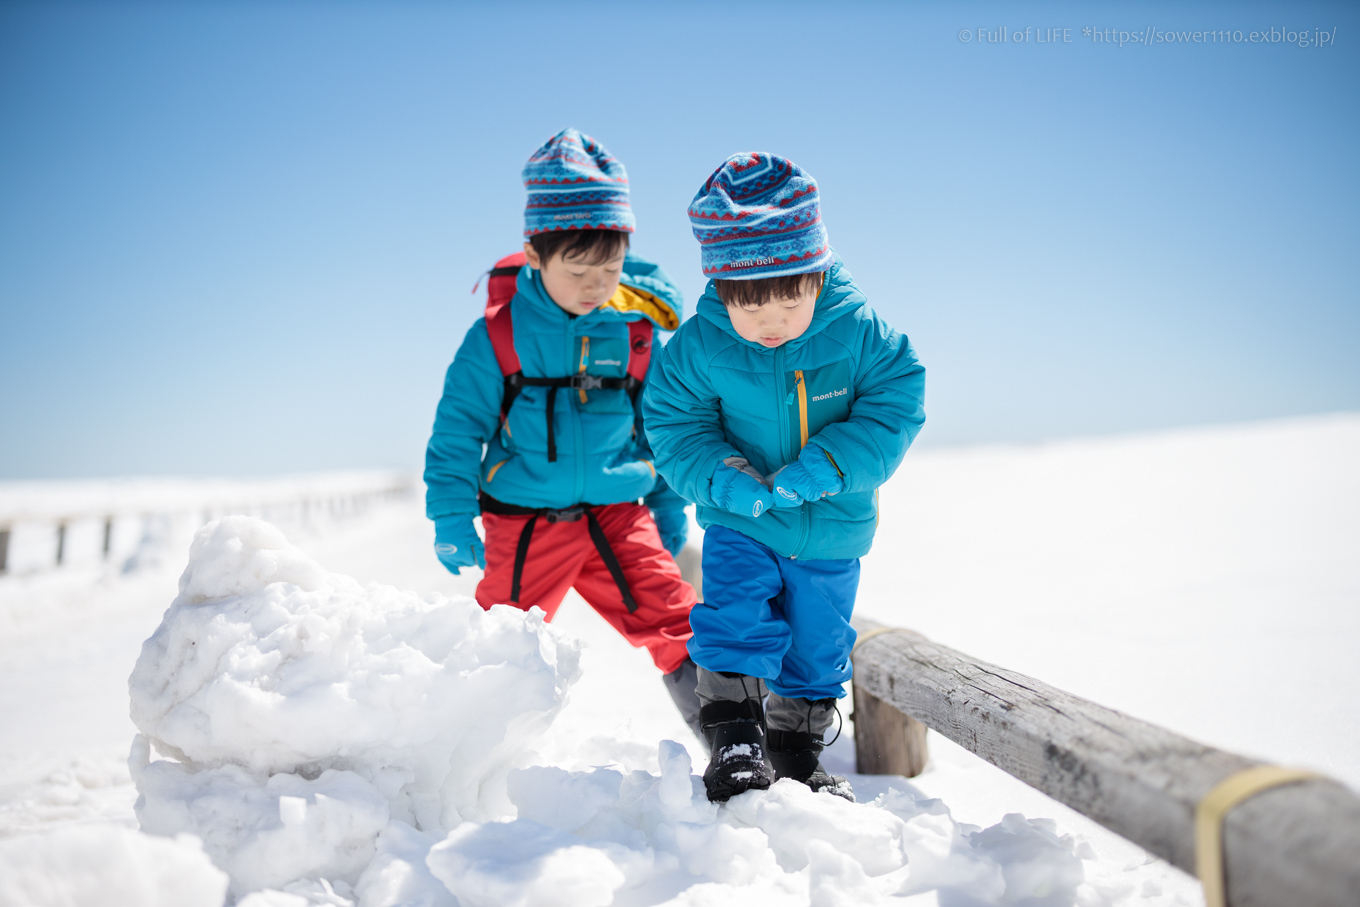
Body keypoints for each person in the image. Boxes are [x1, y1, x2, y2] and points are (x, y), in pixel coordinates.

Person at [642, 153, 926, 801]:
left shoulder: (857, 332)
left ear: (816, 275)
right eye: (751, 307)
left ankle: (797, 752)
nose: (770, 323)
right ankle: (737, 736)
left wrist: (833, 463)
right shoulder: (701, 345)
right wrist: (722, 476)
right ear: (721, 290)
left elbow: (897, 399)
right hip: (743, 519)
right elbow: (673, 424)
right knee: (735, 615)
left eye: (788, 301)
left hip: (832, 526)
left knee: (820, 643)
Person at [424, 128, 703, 741]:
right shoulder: (497, 337)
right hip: (524, 524)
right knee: (498, 643)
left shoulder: (637, 333)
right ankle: (458, 758)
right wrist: (449, 516)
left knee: (680, 621)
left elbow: (660, 431)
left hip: (617, 515)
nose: (595, 285)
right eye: (577, 270)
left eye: (609, 267)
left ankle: (736, 738)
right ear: (534, 255)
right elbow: (456, 435)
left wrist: (667, 506)